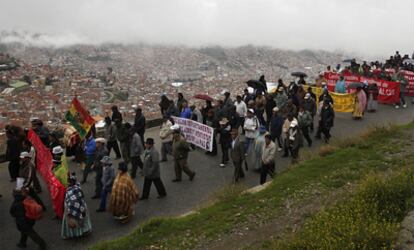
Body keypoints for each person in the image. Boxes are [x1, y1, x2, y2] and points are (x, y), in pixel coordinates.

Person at [62, 172, 92, 239]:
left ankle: (74, 234)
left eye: (69, 181)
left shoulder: (73, 189)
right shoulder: (78, 187)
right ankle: (83, 231)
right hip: (80, 208)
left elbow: (73, 201)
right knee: (81, 219)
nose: (68, 183)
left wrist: (71, 212)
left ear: (71, 182)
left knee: (74, 221)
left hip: (71, 209)